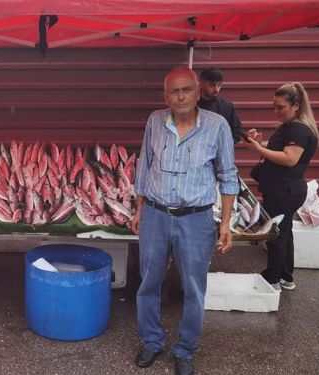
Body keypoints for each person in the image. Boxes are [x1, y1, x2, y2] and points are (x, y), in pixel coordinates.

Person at [131, 66, 238, 375]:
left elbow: (228, 177)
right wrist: (139, 210)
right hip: (155, 214)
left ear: (198, 91)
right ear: (166, 96)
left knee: (193, 287)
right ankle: (152, 342)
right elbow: (144, 168)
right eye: (173, 91)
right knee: (149, 282)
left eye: (186, 89)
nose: (180, 96)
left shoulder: (217, 126)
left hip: (196, 219)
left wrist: (226, 224)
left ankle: (185, 348)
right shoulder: (155, 121)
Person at [243, 82, 319, 291]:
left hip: (284, 192)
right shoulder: (290, 126)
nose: (275, 111)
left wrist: (258, 148)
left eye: (280, 108)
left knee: (276, 233)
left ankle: (273, 279)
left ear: (296, 105)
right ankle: (286, 276)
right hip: (285, 190)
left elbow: (289, 158)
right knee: (285, 231)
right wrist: (258, 143)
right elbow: (280, 148)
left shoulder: (298, 128)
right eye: (274, 106)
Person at [198, 67, 244, 143]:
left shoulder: (228, 107)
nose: (216, 89)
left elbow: (236, 133)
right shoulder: (190, 107)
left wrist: (222, 145)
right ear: (201, 84)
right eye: (212, 85)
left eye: (219, 85)